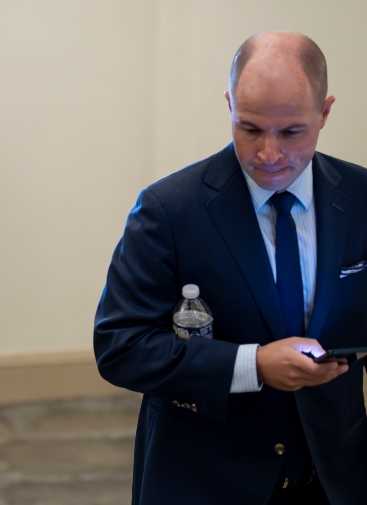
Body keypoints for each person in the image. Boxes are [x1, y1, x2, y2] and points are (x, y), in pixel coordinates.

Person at [94, 31, 367, 503]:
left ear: (324, 114)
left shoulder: (361, 197)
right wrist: (252, 365)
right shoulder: (168, 210)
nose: (269, 153)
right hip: (207, 478)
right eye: (251, 129)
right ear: (230, 106)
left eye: (291, 132)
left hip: (336, 477)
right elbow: (120, 346)